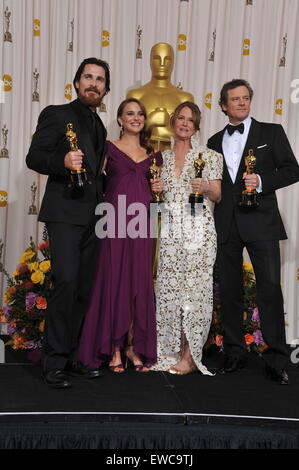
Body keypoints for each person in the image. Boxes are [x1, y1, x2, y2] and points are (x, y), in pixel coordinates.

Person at [207, 78, 299, 384]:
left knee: (270, 289)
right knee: (230, 292)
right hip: (226, 225)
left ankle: (276, 359)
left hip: (261, 222)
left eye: (246, 98)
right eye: (235, 99)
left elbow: (291, 170)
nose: (242, 103)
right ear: (223, 105)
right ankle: (234, 353)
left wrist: (260, 181)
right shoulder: (212, 141)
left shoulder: (271, 132)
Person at [26, 57, 110, 388]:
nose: (94, 83)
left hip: (93, 216)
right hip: (64, 214)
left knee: (84, 289)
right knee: (65, 282)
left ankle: (73, 354)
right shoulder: (57, 114)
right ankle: (54, 362)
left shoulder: (100, 126)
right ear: (76, 83)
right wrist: (61, 161)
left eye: (100, 79)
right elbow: (34, 157)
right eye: (88, 77)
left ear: (105, 88)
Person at [79, 98, 162, 373]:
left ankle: (134, 347)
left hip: (143, 224)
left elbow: (159, 203)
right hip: (112, 222)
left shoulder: (154, 155)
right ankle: (113, 348)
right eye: (130, 114)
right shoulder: (108, 149)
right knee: (114, 281)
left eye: (140, 113)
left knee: (138, 283)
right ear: (119, 119)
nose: (136, 118)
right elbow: (92, 182)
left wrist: (160, 193)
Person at [152, 102, 223, 375]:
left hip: (200, 233)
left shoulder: (210, 156)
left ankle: (190, 355)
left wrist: (205, 185)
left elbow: (217, 195)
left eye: (190, 120)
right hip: (171, 233)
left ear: (196, 126)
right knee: (169, 291)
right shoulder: (161, 159)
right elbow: (157, 209)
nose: (184, 123)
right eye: (180, 118)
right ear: (173, 121)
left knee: (195, 292)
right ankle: (169, 351)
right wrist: (155, 191)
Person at [127, 42, 194, 150]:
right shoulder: (136, 95)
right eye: (157, 58)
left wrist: (160, 131)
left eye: (167, 59)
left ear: (173, 63)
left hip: (174, 159)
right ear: (150, 61)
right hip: (139, 156)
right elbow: (127, 132)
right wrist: (150, 122)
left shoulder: (185, 98)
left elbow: (190, 135)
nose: (162, 64)